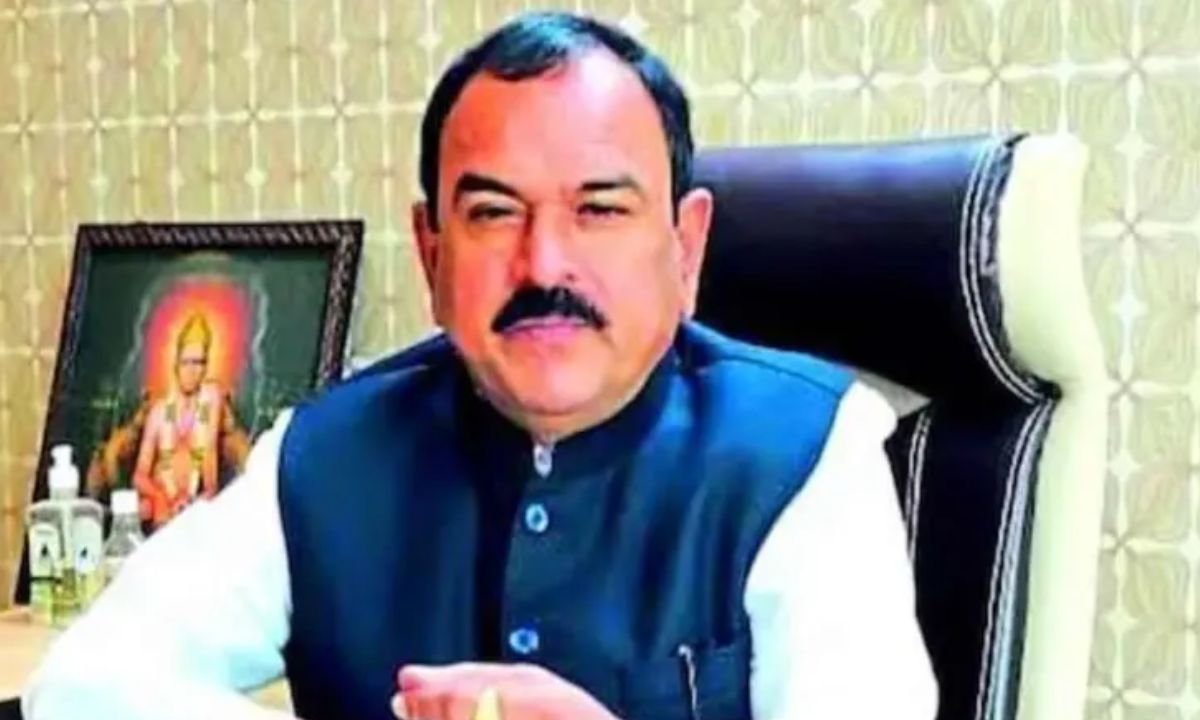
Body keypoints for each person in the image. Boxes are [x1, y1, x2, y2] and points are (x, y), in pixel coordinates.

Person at [24, 11, 937, 720]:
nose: (544, 266)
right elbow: (85, 685)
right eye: (494, 212)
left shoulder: (806, 453)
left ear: (685, 246)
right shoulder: (326, 454)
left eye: (600, 210)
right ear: (432, 253)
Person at [131, 313, 226, 528]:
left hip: (193, 501)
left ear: (206, 367)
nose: (192, 370)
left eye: (198, 362)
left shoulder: (209, 400)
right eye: (186, 362)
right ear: (176, 364)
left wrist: (198, 499)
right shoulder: (160, 412)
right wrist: (161, 496)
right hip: (162, 501)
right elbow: (139, 476)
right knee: (144, 509)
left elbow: (209, 460)